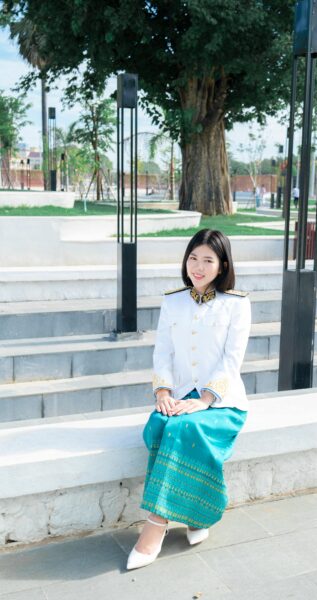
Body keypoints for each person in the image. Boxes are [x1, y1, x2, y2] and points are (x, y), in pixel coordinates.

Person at [127, 229, 251, 570]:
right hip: (179, 395)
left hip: (223, 403)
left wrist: (207, 399)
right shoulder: (173, 301)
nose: (198, 266)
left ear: (222, 265)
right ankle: (196, 513)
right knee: (157, 425)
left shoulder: (237, 304)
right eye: (193, 258)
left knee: (182, 430)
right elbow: (162, 351)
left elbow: (232, 359)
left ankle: (155, 526)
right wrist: (163, 393)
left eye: (208, 260)